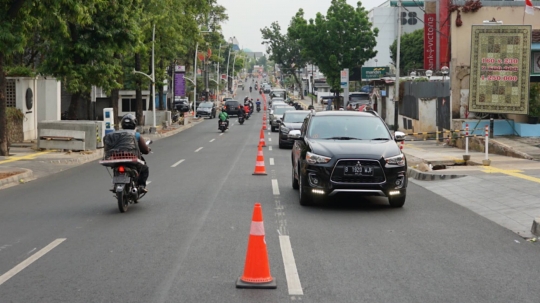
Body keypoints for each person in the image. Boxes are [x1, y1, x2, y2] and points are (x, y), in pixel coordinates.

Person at [118, 114, 150, 192]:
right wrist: (147, 150)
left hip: (117, 158)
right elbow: (145, 150)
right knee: (145, 169)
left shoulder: (117, 134)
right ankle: (142, 186)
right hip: (132, 160)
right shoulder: (136, 135)